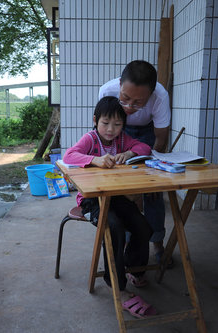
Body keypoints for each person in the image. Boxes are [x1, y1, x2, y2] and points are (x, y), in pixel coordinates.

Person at [63, 96, 157, 318]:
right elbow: (69, 155)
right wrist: (94, 160)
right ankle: (117, 285)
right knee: (113, 227)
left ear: (123, 126)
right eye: (106, 123)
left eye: (117, 124)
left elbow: (145, 147)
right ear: (95, 120)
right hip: (91, 200)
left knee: (143, 225)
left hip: (116, 197)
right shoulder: (91, 139)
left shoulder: (123, 139)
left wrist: (130, 153)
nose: (111, 129)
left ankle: (135, 269)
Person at [99, 60, 171, 265]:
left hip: (149, 134)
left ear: (151, 93)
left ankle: (157, 242)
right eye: (125, 98)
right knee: (124, 190)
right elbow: (104, 132)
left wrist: (155, 174)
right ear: (120, 83)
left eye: (139, 102)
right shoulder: (107, 91)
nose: (130, 106)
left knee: (153, 191)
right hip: (120, 131)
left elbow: (161, 138)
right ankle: (126, 241)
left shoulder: (161, 96)